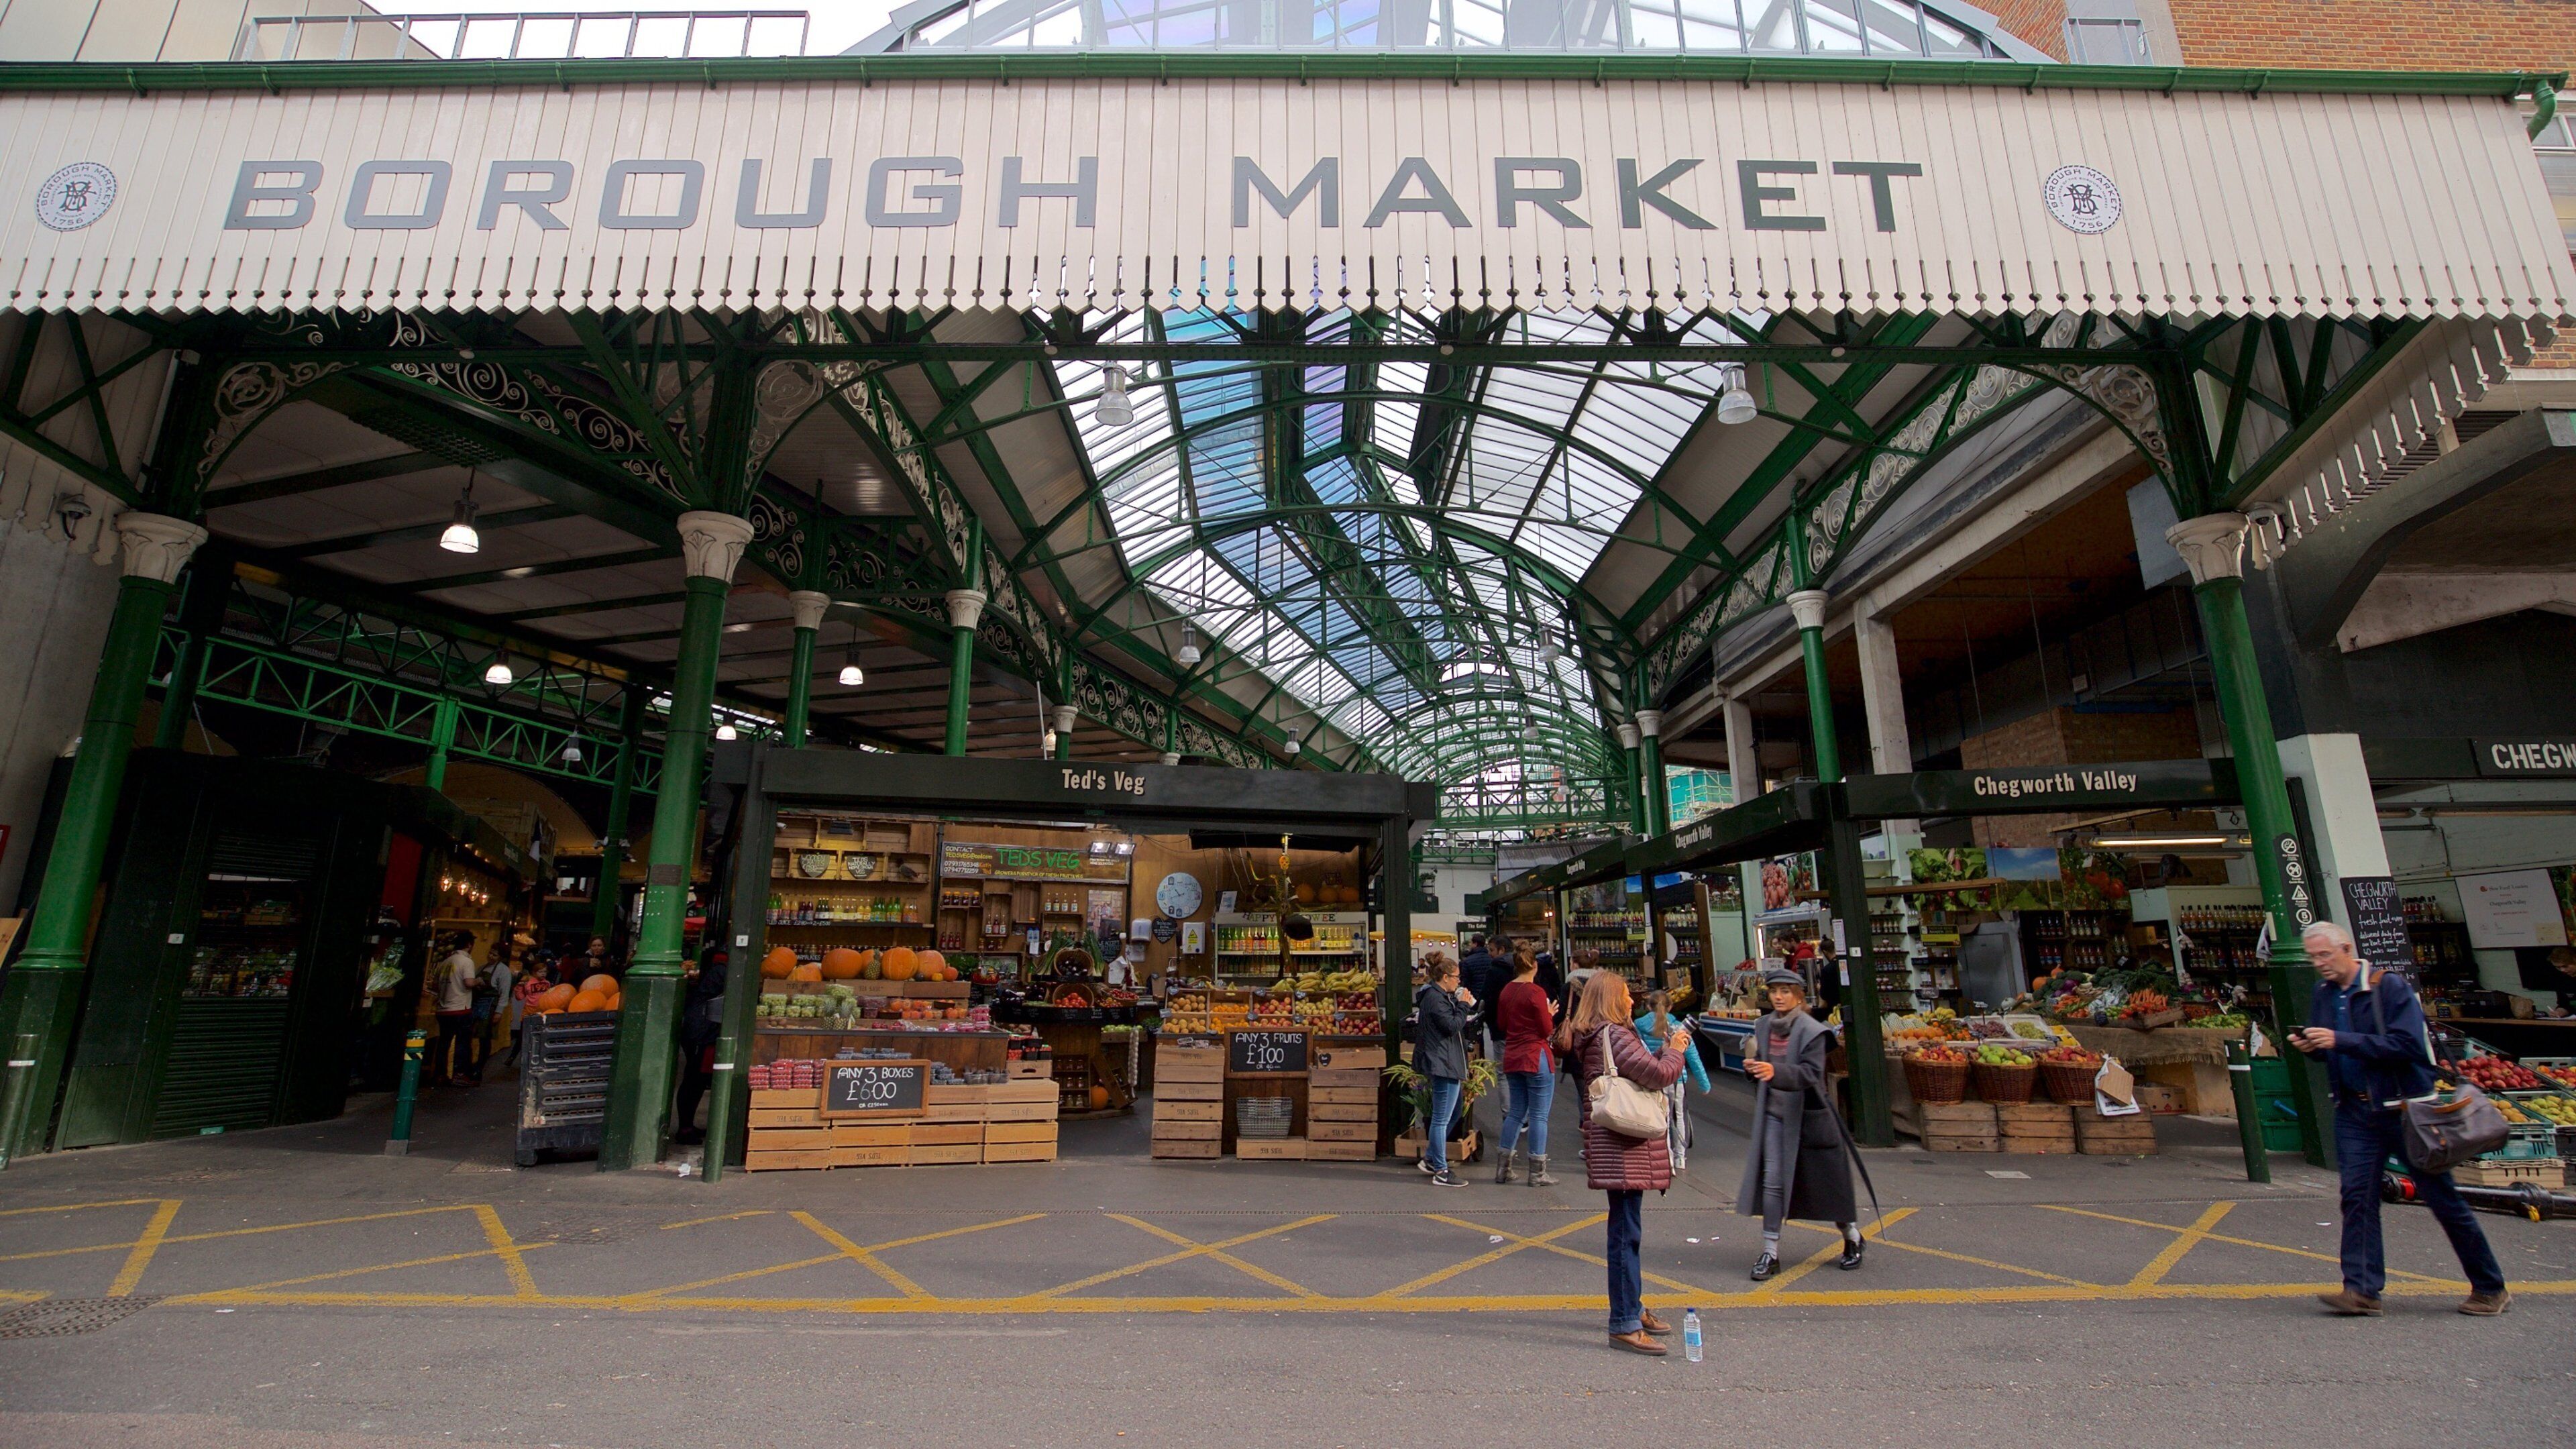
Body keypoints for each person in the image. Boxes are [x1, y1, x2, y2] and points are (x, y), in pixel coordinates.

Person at [2292, 920, 2509, 1316]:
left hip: (2407, 1111)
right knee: (2356, 1197)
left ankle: (2490, 1287)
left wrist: (2341, 1040)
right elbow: (2331, 1052)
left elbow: (2408, 1045)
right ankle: (2361, 1290)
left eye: (2325, 954)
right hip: (2355, 1111)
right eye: (2313, 957)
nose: (2319, 963)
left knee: (2442, 1199)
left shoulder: (2388, 987)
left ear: (2346, 948)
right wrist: (2312, 1046)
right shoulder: (2324, 993)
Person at [1567, 969, 1690, 1354]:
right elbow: (1658, 1075)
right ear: (1610, 998)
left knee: (1627, 1230)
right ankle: (1624, 1321)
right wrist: (1677, 1050)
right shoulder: (1615, 1034)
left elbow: (1635, 1072)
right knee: (1625, 1235)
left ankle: (1632, 1308)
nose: (1632, 1001)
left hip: (1617, 1145)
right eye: (1625, 995)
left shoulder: (1599, 1034)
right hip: (1622, 1146)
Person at [1737, 969, 1867, 1281]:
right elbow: (1767, 1067)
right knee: (1772, 1182)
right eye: (1773, 991)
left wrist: (1774, 1072)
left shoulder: (1812, 1030)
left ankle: (1852, 1236)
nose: (1779, 997)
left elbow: (1810, 1074)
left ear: (1798, 994)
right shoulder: (1764, 1026)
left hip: (1809, 1118)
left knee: (1826, 1185)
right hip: (1774, 1115)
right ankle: (1770, 1252)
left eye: (1785, 991)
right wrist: (1754, 1069)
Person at [1492, 948, 1560, 1186]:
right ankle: (1537, 1172)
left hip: (1513, 1055)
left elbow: (1501, 1023)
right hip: (1535, 1055)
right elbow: (1546, 1030)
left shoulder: (1507, 991)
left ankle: (1503, 1168)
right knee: (1539, 1116)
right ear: (1535, 966)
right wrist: (1549, 1014)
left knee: (1515, 1113)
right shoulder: (1536, 992)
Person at [1411, 954, 1476, 1187]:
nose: (1459, 982)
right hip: (1443, 1063)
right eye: (1456, 977)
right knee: (1441, 1118)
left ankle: (1431, 1157)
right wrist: (1464, 1006)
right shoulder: (1436, 999)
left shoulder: (1439, 996)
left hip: (1447, 1061)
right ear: (1445, 977)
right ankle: (1440, 1169)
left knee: (1455, 1112)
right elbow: (1451, 1026)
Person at [1634, 989, 1710, 1172]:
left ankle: (1665, 1156)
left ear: (1647, 1006)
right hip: (1677, 1079)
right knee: (1680, 1117)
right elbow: (1692, 1056)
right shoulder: (1679, 1027)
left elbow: (1640, 1052)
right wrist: (1704, 1082)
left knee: (1662, 1118)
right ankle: (1680, 1157)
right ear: (1671, 1006)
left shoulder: (1638, 1025)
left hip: (1655, 1078)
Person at [674, 946, 730, 1146]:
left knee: (695, 1079)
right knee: (695, 1080)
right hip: (704, 1032)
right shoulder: (721, 972)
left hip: (697, 1030)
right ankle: (685, 1128)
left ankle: (687, 1125)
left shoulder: (709, 973)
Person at [431, 934, 478, 1087]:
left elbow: (435, 985)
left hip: (443, 1009)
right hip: (460, 1007)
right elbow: (469, 983)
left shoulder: (445, 962)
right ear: (470, 945)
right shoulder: (466, 961)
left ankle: (440, 1074)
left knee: (444, 1043)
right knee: (462, 1043)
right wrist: (480, 981)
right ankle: (460, 1074)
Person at [473, 943, 514, 1081]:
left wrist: (499, 1011)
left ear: (500, 957)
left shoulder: (503, 971)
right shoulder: (481, 968)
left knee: (485, 1037)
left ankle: (480, 1068)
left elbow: (504, 993)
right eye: (490, 953)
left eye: (494, 955)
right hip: (477, 1004)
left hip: (490, 1006)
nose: (490, 956)